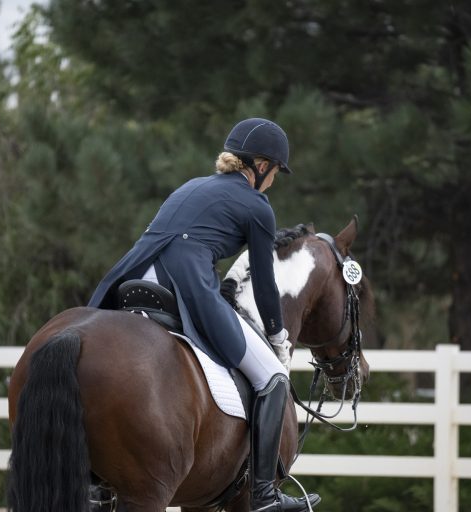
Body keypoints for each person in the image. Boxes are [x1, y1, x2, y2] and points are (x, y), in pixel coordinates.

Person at [87, 118, 321, 511]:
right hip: (185, 282)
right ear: (261, 165)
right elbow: (265, 284)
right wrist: (279, 337)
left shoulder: (190, 187)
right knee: (273, 377)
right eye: (276, 171)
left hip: (132, 275)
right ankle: (263, 495)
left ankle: (94, 485)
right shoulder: (257, 205)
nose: (274, 180)